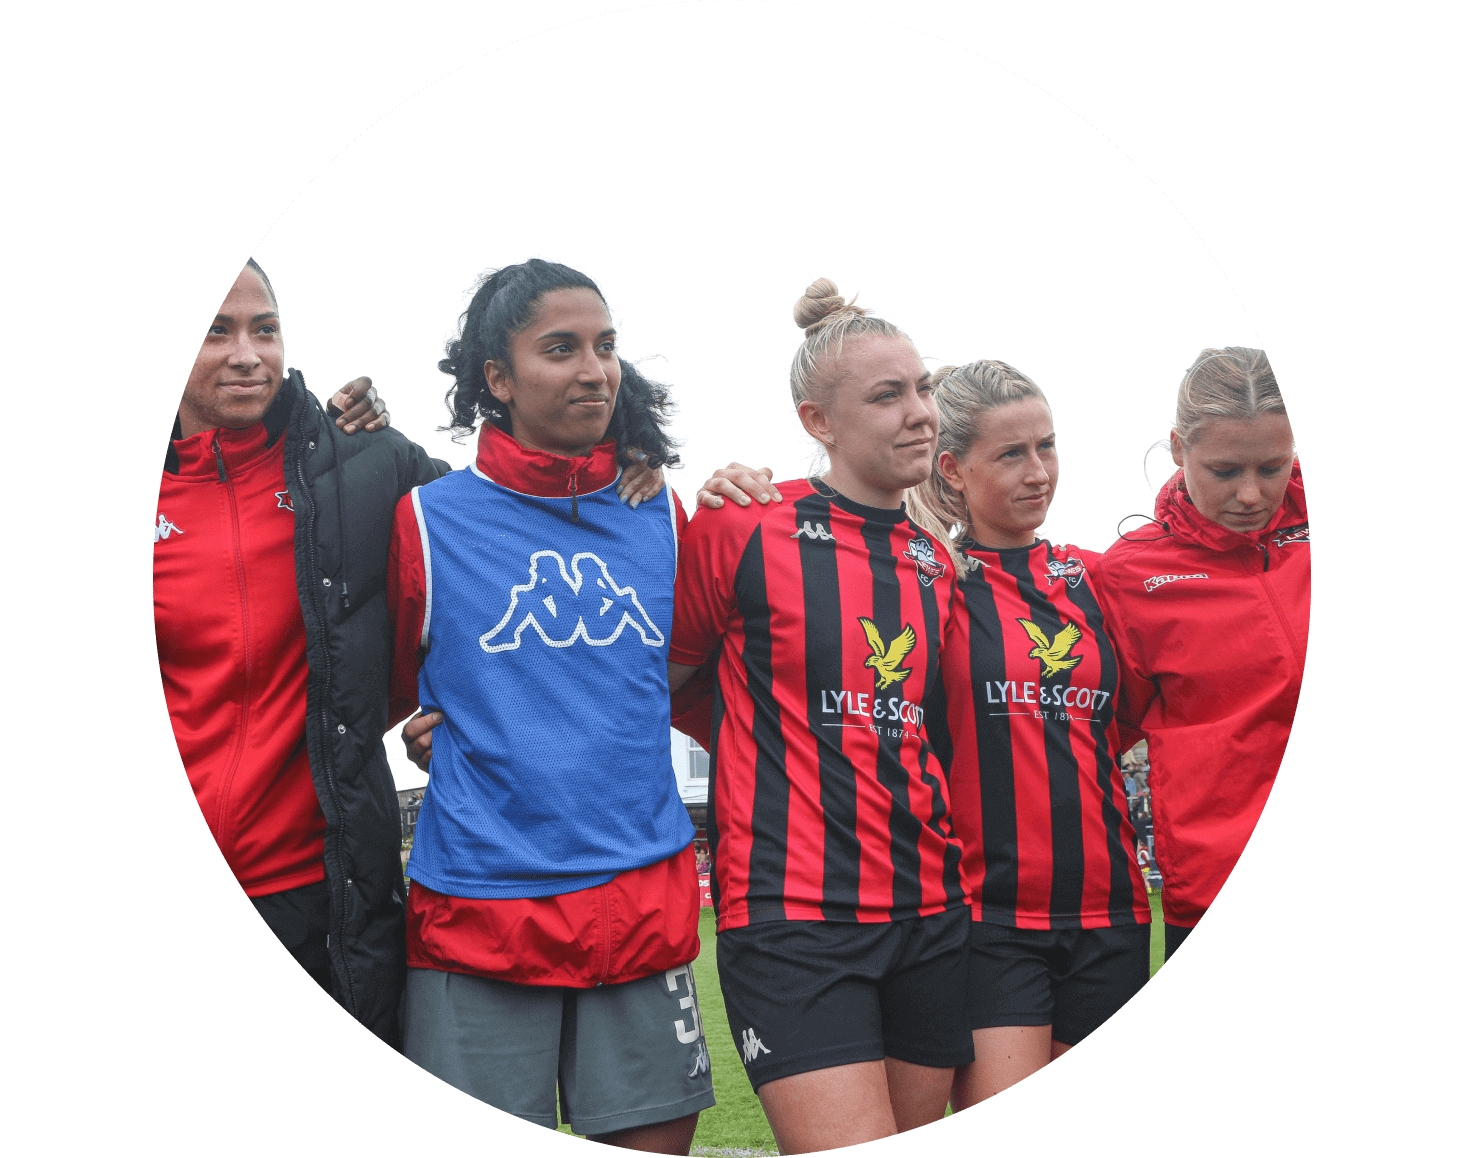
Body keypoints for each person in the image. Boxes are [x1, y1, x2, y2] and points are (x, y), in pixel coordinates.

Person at [385, 260, 713, 1151]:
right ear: (497, 378)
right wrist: (427, 729)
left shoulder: (666, 514)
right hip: (480, 915)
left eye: (605, 347)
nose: (593, 369)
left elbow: (679, 679)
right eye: (560, 348)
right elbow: (374, 689)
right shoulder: (425, 519)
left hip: (642, 909)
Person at [668, 280, 972, 1154]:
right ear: (818, 421)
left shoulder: (934, 566)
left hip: (929, 911)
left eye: (921, 389)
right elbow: (672, 683)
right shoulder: (743, 529)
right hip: (794, 918)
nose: (920, 413)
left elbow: (928, 731)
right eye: (888, 395)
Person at [156, 259, 430, 1046]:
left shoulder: (357, 463)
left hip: (325, 898)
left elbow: (498, 531)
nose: (248, 354)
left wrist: (625, 453)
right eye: (219, 332)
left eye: (265, 329)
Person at [902, 360, 1151, 1108]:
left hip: (1112, 913)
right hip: (988, 920)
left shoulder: (1094, 579)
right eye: (1012, 454)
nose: (1038, 471)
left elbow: (1131, 713)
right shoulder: (928, 584)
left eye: (1047, 447)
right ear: (953, 468)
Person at [1090, 347, 1306, 960]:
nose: (1250, 493)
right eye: (1224, 470)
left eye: (1272, 467)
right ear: (1179, 449)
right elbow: (1101, 729)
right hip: (1215, 878)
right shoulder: (1134, 573)